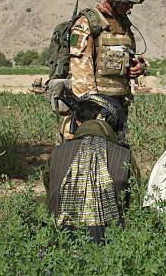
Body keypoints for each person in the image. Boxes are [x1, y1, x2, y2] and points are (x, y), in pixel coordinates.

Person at [61, 0, 147, 141]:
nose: (130, 6)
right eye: (126, 2)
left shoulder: (124, 25)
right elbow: (81, 74)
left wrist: (140, 66)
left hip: (117, 109)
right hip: (91, 112)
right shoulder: (88, 23)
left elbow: (128, 57)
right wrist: (92, 115)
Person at [48, 93, 138, 244]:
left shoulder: (56, 154)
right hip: (112, 247)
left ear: (77, 123)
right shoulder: (124, 156)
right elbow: (136, 204)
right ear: (111, 125)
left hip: (60, 246)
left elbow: (50, 195)